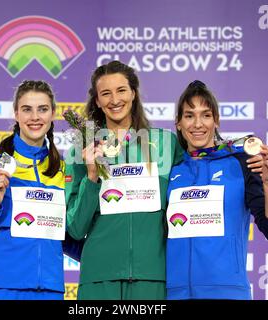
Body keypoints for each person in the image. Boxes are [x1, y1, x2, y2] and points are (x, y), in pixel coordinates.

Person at [65, 60, 184, 300]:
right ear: (97, 101)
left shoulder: (166, 143)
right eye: (105, 93)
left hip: (152, 277)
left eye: (121, 90)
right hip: (98, 278)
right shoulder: (83, 149)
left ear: (133, 93)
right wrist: (91, 177)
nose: (114, 99)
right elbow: (75, 229)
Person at [166, 80, 268, 300]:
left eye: (206, 115)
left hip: (228, 292)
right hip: (175, 294)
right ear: (179, 123)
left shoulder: (242, 163)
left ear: (216, 121)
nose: (198, 124)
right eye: (189, 115)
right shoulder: (169, 170)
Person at [0, 80, 74, 300]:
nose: (35, 117)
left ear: (53, 114)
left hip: (49, 289)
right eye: (27, 109)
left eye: (43, 109)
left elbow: (66, 234)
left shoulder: (62, 169)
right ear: (16, 114)